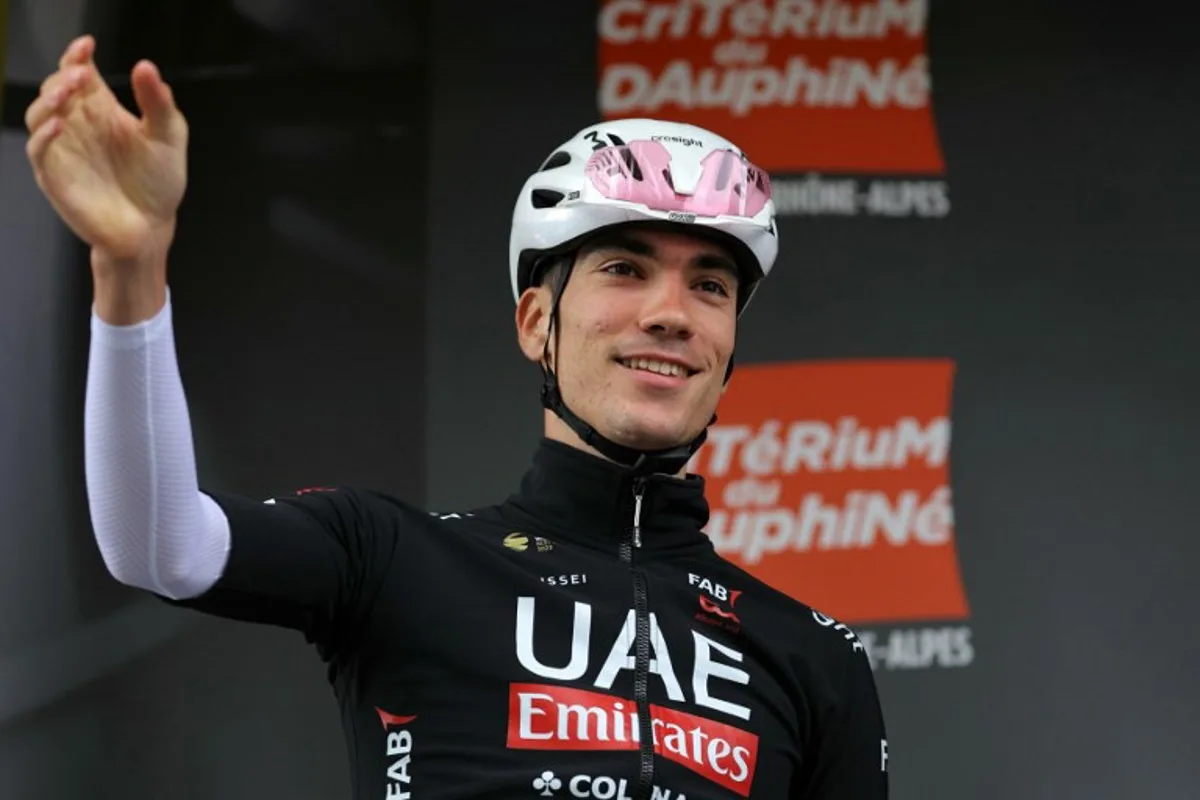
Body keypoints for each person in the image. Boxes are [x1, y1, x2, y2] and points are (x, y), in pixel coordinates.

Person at [26, 34, 889, 800]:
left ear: (728, 347)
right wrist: (130, 269)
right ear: (535, 324)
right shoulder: (397, 556)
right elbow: (157, 544)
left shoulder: (814, 657)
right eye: (625, 269)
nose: (672, 312)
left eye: (709, 284)